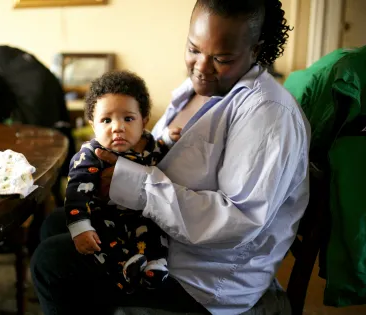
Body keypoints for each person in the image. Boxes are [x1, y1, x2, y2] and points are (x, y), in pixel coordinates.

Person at [30, 0, 310, 314]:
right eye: (193, 49)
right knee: (57, 223)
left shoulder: (268, 115)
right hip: (162, 234)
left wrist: (131, 184)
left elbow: (239, 222)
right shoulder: (196, 88)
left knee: (50, 263)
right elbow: (155, 150)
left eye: (221, 57)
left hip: (205, 275)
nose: (201, 67)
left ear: (256, 50)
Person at [65, 70, 181, 292]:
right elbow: (75, 193)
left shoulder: (148, 143)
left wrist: (167, 139)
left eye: (128, 119)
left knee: (154, 228)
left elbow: (158, 151)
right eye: (106, 120)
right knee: (101, 240)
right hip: (105, 215)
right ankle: (123, 271)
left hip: (140, 213)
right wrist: (80, 227)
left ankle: (154, 267)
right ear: (93, 125)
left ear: (143, 121)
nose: (117, 127)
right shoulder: (92, 154)